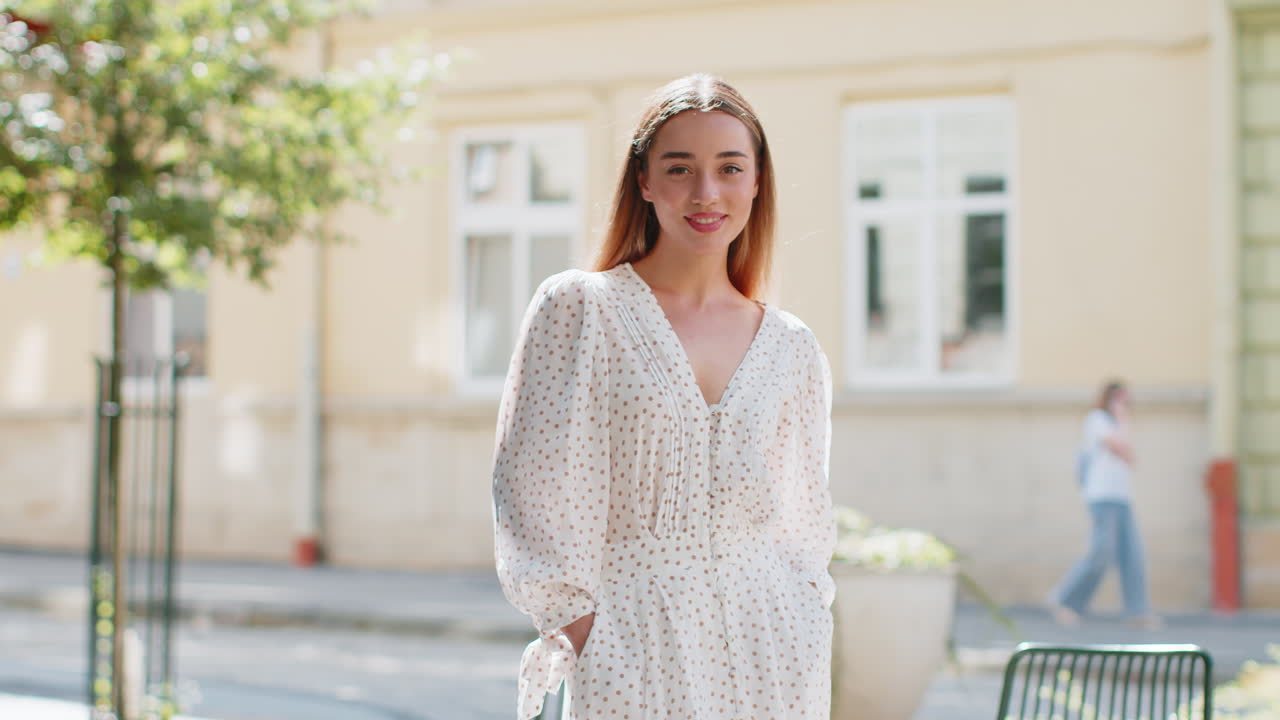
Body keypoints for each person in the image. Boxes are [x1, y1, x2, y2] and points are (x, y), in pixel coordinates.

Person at [491, 73, 837, 720]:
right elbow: (531, 490)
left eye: (729, 168)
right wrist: (584, 632)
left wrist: (804, 633)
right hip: (632, 650)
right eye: (680, 169)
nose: (706, 192)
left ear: (757, 181)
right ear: (644, 182)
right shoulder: (581, 311)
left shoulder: (792, 348)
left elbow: (804, 528)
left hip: (772, 659)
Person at [1047, 380, 1162, 629]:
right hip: (1101, 497)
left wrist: (1122, 424)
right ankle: (1065, 599)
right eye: (1120, 400)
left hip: (1122, 497)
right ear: (1108, 399)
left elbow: (1129, 456)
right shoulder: (1096, 420)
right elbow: (1121, 449)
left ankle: (1137, 610)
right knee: (1101, 552)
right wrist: (1122, 421)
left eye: (1126, 401)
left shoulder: (1115, 424)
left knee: (1132, 554)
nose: (1124, 406)